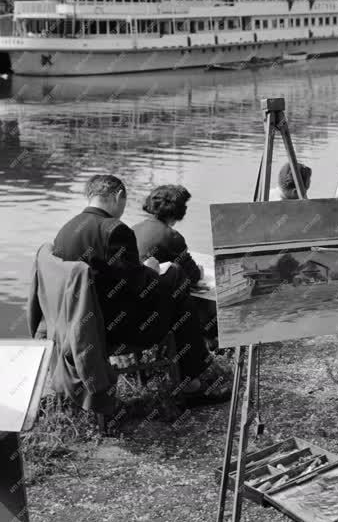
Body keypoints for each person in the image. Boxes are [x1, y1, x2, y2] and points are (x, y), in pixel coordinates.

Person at [53, 174, 229, 406]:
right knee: (178, 286)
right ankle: (192, 383)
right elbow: (142, 287)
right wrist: (153, 268)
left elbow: (117, 278)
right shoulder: (114, 230)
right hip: (116, 328)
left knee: (175, 286)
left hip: (78, 324)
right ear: (118, 196)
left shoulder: (66, 230)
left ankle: (190, 373)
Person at [132, 185, 203, 285]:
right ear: (179, 211)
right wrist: (200, 272)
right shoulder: (172, 236)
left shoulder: (134, 228)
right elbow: (193, 275)